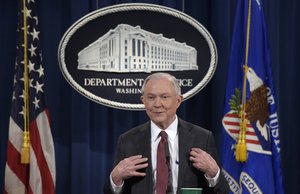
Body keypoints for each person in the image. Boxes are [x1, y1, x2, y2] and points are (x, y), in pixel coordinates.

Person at [103, 73, 229, 194]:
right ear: (143, 101)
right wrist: (115, 179)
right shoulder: (127, 140)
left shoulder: (202, 138)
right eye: (151, 98)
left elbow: (222, 191)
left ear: (178, 100)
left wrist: (214, 174)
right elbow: (110, 191)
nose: (157, 104)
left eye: (164, 97)